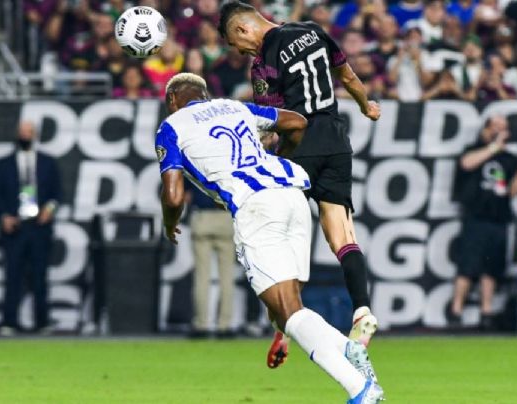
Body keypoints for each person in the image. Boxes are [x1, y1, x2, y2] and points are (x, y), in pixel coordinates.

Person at [156, 72, 384, 403]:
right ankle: (347, 349)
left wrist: (169, 223)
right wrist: (281, 157)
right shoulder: (234, 107)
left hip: (256, 207)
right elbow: (295, 123)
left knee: (289, 311)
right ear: (205, 94)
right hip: (292, 196)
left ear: (172, 100)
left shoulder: (172, 126)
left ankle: (360, 390)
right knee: (283, 312)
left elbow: (174, 196)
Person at [218, 1, 381, 361]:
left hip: (299, 146)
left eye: (235, 42)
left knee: (279, 233)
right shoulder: (313, 31)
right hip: (337, 140)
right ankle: (363, 311)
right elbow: (348, 77)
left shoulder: (263, 63)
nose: (239, 50)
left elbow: (274, 122)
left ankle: (285, 325)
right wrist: (366, 105)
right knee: (342, 235)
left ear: (243, 29)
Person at [449, 116, 517, 330]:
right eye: (496, 127)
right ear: (485, 129)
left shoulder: (510, 159)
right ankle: (455, 312)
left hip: (499, 220)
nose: (500, 131)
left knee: (491, 269)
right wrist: (493, 147)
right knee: (467, 266)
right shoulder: (474, 148)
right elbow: (466, 164)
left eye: (504, 128)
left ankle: (486, 313)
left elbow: (513, 191)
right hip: (475, 218)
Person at [0, 121, 62, 335]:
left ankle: (42, 321)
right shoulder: (5, 163)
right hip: (15, 226)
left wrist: (49, 209)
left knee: (40, 275)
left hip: (39, 226)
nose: (25, 135)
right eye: (21, 132)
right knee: (12, 275)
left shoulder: (47, 162)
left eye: (28, 132)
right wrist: (3, 215)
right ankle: (9, 321)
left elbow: (57, 193)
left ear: (35, 135)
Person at [185, 180, 236, 338]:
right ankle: (224, 325)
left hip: (202, 217)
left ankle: (202, 325)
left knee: (202, 277)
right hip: (226, 218)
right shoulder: (229, 162)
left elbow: (186, 196)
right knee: (227, 277)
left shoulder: (195, 160)